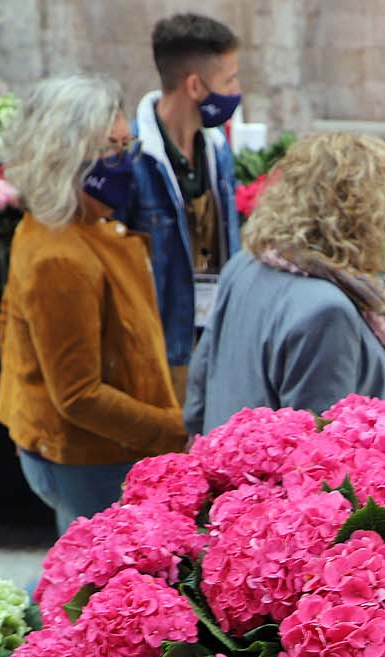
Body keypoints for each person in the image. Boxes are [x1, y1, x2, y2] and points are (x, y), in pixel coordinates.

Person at [0, 75, 183, 535]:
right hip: (95, 458)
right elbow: (79, 395)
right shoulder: (60, 254)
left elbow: (10, 325)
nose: (125, 162)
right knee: (94, 587)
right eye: (110, 149)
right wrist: (174, 430)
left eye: (127, 145)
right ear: (63, 156)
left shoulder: (73, 222)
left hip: (95, 449)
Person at [185, 133, 385, 435]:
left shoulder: (245, 265)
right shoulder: (327, 310)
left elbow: (199, 391)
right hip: (272, 479)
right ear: (361, 217)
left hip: (226, 470)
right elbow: (319, 456)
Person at [120, 14, 241, 403]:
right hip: (163, 345)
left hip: (216, 337)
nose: (237, 91)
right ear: (194, 85)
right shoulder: (132, 158)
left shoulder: (218, 149)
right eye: (230, 80)